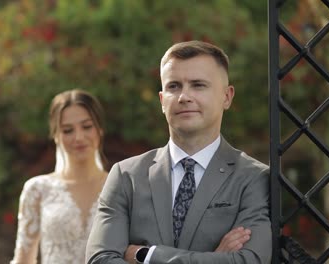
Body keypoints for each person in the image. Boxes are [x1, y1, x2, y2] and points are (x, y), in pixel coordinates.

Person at [86, 40, 271, 264]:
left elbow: (249, 261)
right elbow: (100, 259)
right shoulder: (126, 176)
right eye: (174, 86)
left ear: (227, 96)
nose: (184, 96)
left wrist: (148, 255)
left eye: (198, 85)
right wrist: (215, 259)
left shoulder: (253, 177)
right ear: (162, 101)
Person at [10, 89, 108, 264]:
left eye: (86, 127)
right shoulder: (37, 189)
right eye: (68, 130)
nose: (78, 137)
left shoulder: (121, 186)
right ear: (56, 135)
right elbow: (23, 260)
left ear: (99, 130)